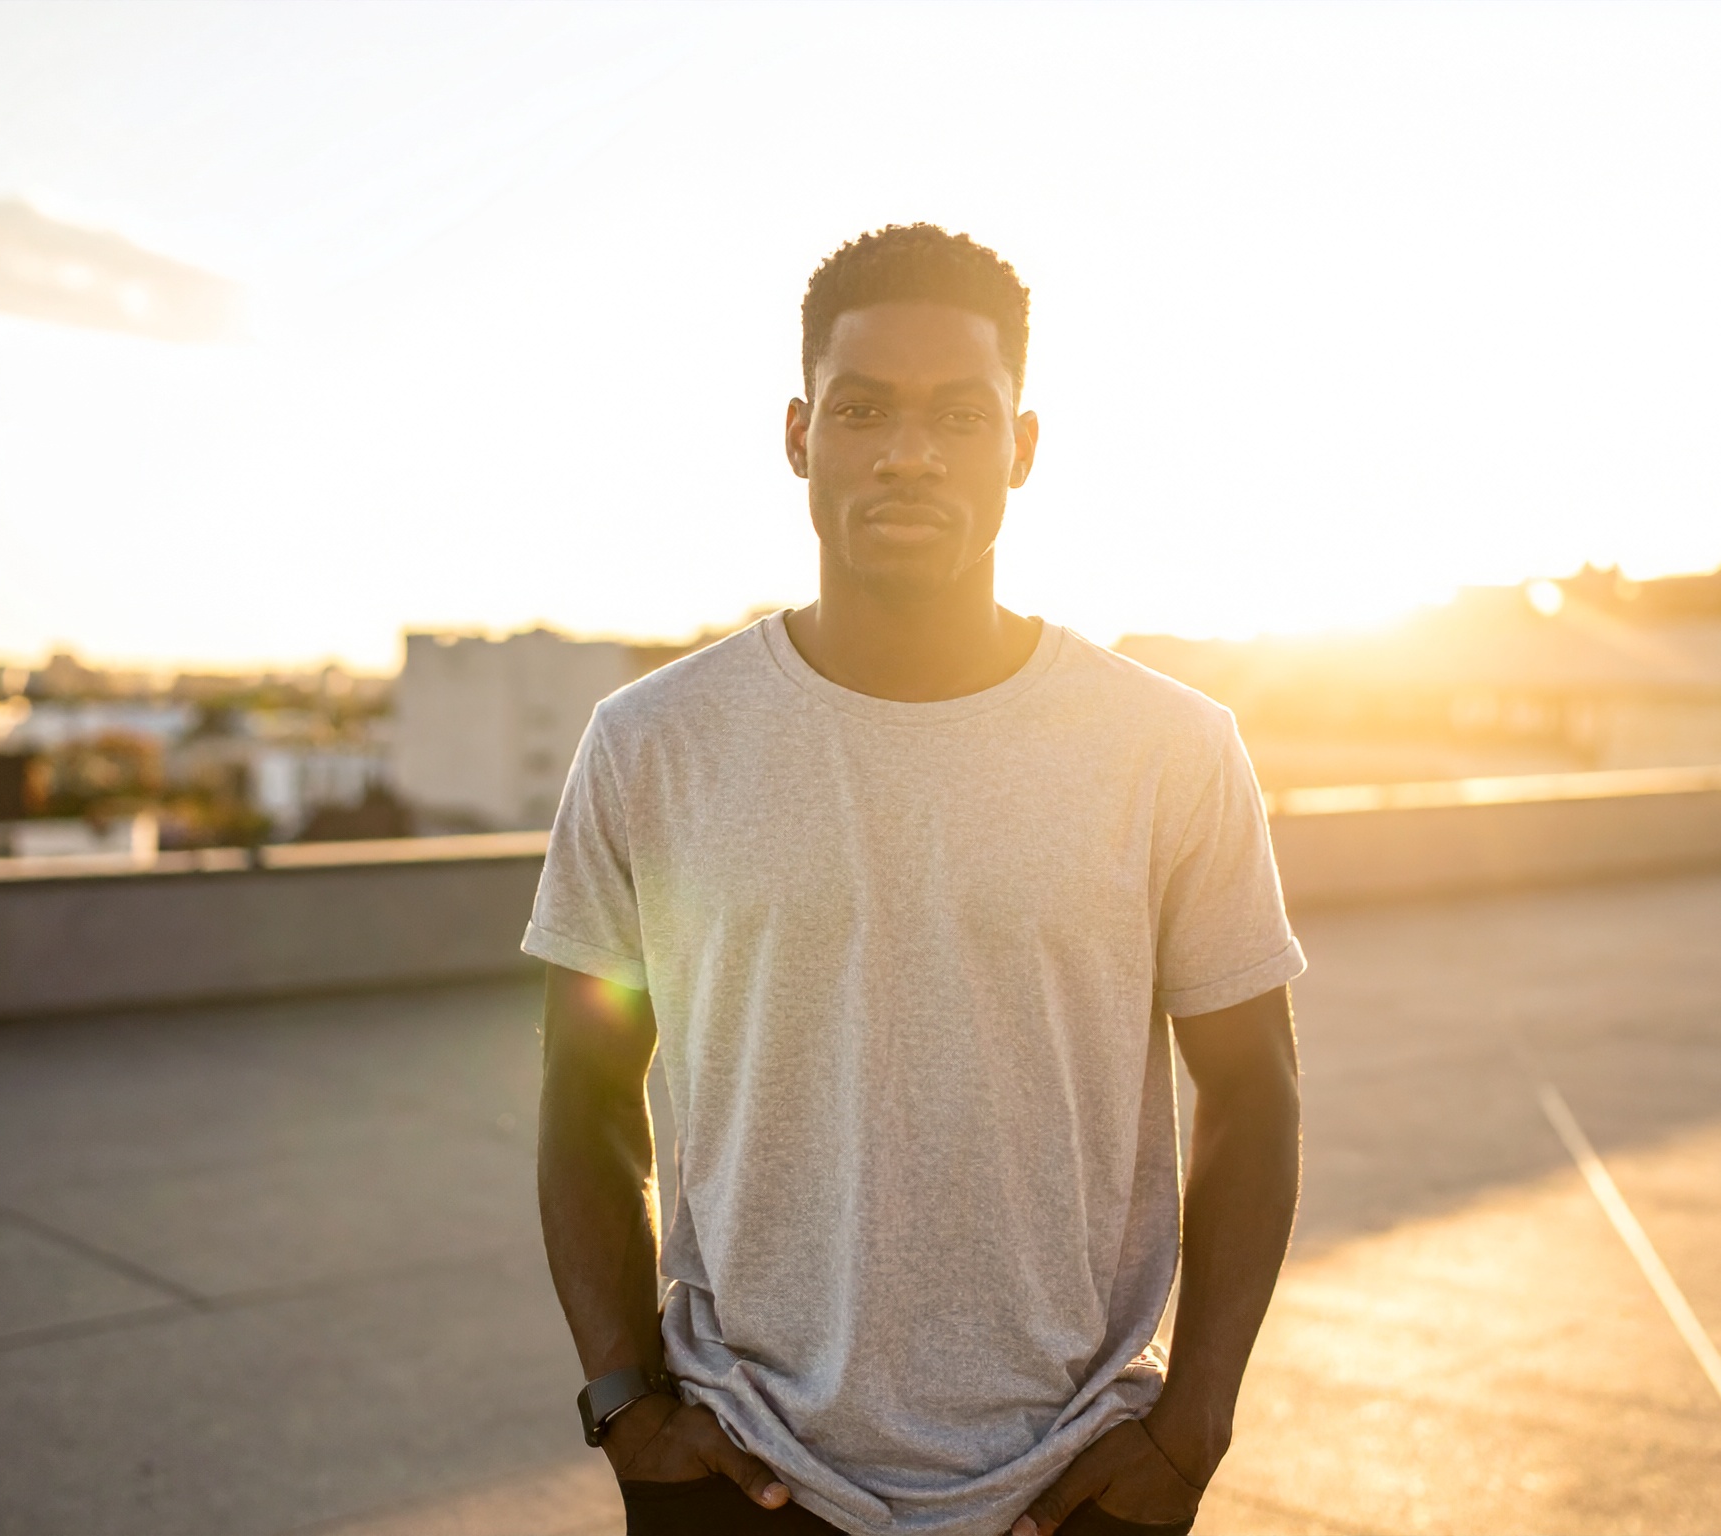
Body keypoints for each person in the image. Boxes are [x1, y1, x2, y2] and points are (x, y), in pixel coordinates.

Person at [531, 223, 1303, 1536]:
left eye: (959, 414)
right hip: (739, 1471)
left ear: (1024, 446)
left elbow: (1254, 1093)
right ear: (797, 432)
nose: (906, 452)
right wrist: (624, 1403)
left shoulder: (1170, 748)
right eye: (863, 408)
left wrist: (1196, 1429)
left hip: (1078, 1478)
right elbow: (585, 1092)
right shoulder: (653, 744)